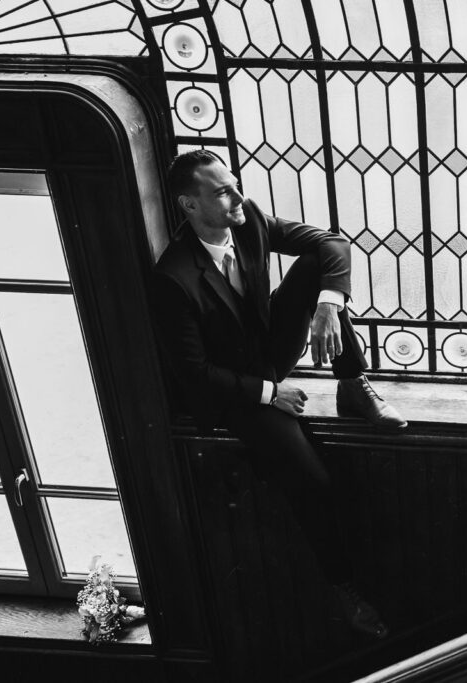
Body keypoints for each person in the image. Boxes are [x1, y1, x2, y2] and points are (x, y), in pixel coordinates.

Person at [151, 150, 406, 638]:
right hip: (238, 390)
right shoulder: (172, 278)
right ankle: (344, 587)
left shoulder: (250, 222)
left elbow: (332, 243)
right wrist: (270, 394)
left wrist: (329, 306)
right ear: (189, 204)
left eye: (234, 183)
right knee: (314, 483)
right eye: (221, 191)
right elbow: (195, 375)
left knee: (317, 269)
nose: (237, 196)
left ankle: (353, 384)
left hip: (269, 346)